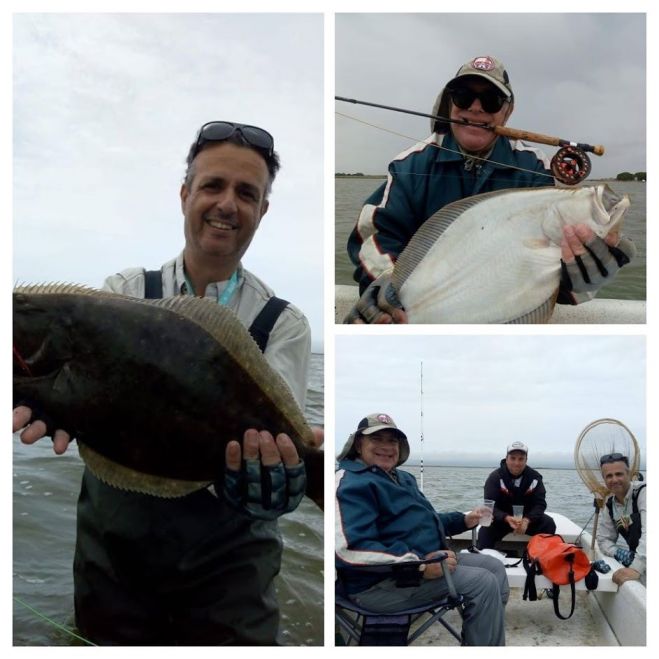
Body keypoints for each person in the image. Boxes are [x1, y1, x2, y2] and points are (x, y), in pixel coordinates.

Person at [13, 121, 320, 645]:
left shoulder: (284, 323)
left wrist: (282, 484)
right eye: (212, 186)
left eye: (247, 194)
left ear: (262, 211)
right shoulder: (122, 292)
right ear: (185, 195)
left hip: (232, 577)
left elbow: (278, 450)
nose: (227, 204)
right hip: (114, 562)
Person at [345, 55, 635, 323]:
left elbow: (551, 279)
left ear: (507, 112)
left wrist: (581, 277)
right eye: (463, 96)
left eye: (491, 100)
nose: (475, 107)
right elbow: (376, 235)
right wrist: (384, 286)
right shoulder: (410, 164)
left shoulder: (535, 168)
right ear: (450, 104)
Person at [336, 413, 509, 646]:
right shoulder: (350, 483)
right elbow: (349, 549)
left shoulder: (403, 478)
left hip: (426, 563)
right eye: (377, 439)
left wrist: (465, 520)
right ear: (358, 445)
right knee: (483, 583)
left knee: (495, 567)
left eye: (392, 441)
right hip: (377, 585)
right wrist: (419, 566)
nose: (387, 447)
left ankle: (483, 637)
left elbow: (426, 521)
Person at [478, 441, 556, 550]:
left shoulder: (534, 477)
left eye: (521, 459)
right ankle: (484, 560)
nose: (516, 463)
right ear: (506, 458)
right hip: (502, 521)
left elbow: (540, 504)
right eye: (513, 458)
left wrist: (527, 520)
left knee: (548, 524)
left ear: (526, 460)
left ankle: (541, 558)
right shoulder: (495, 477)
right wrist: (506, 518)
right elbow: (490, 506)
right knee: (485, 530)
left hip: (527, 521)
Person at [596, 453, 646, 586]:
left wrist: (636, 566)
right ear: (604, 479)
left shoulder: (644, 493)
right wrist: (620, 553)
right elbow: (603, 539)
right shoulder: (610, 504)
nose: (614, 479)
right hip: (639, 556)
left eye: (619, 474)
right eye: (609, 476)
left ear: (629, 474)